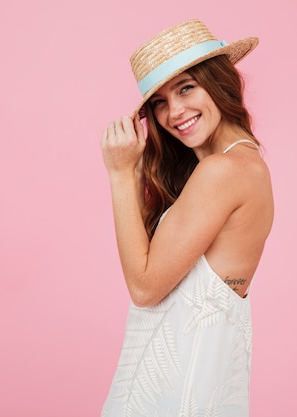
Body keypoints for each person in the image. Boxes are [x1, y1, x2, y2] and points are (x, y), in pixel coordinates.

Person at [100, 19, 274, 417]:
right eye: (159, 101)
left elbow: (144, 289)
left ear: (219, 81)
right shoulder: (242, 166)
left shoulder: (223, 172)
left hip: (175, 397)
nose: (174, 111)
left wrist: (120, 174)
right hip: (192, 390)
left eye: (186, 88)